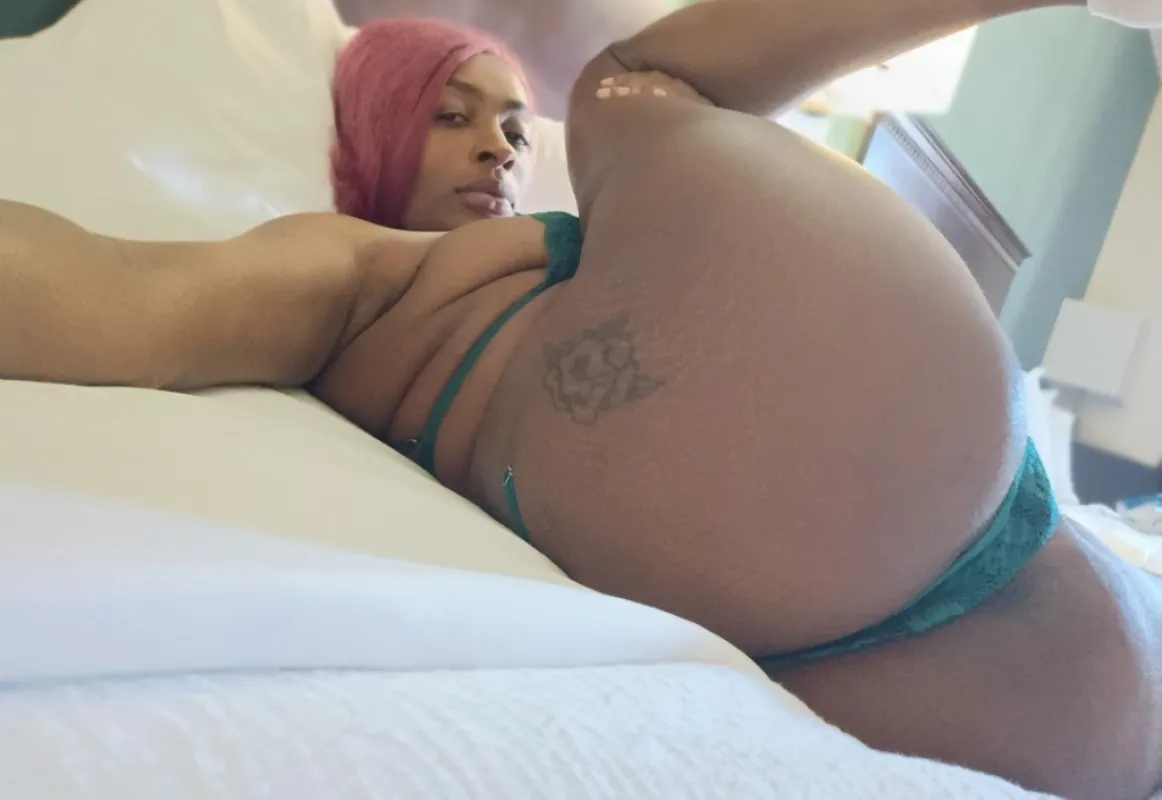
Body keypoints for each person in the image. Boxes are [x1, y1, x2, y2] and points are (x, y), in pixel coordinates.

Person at [1, 1, 1159, 797]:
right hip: (854, 453)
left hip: (998, 681)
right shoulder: (356, 259)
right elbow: (128, 296)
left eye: (514, 123)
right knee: (629, 87)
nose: (500, 147)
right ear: (368, 137)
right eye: (450, 114)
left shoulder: (576, 243)